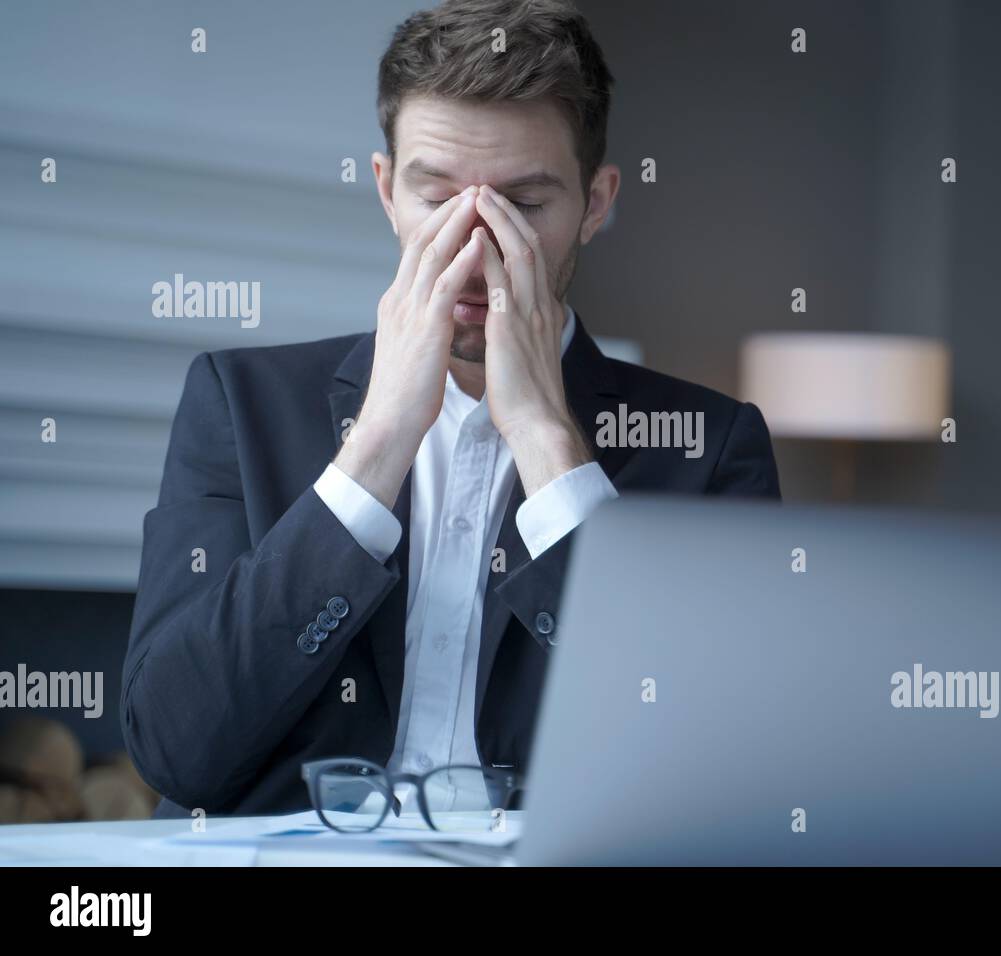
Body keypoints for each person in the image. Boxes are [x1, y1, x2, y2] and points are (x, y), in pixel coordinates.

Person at [122, 0, 780, 817]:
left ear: (598, 204)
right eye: (438, 198)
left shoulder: (710, 449)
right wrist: (376, 448)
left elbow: (716, 771)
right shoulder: (239, 401)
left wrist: (549, 446)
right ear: (386, 191)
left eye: (526, 206)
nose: (476, 253)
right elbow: (174, 749)